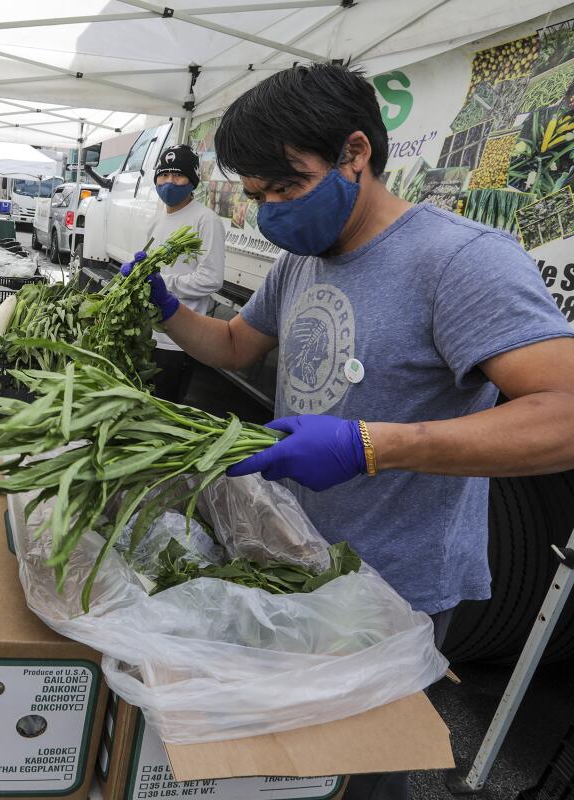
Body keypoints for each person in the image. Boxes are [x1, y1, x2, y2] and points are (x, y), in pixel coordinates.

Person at [126, 64, 574, 800]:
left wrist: (370, 445)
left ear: (354, 155)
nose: (268, 210)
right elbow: (238, 347)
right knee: (286, 770)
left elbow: (564, 413)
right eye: (255, 194)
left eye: (285, 187)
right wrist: (169, 310)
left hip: (394, 591)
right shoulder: (303, 258)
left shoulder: (458, 262)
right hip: (294, 563)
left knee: (359, 774)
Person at [142, 144, 225, 403]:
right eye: (163, 175)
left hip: (180, 340)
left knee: (166, 409)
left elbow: (211, 278)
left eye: (177, 175)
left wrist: (163, 284)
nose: (169, 182)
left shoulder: (205, 220)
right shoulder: (157, 221)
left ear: (192, 181)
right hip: (149, 335)